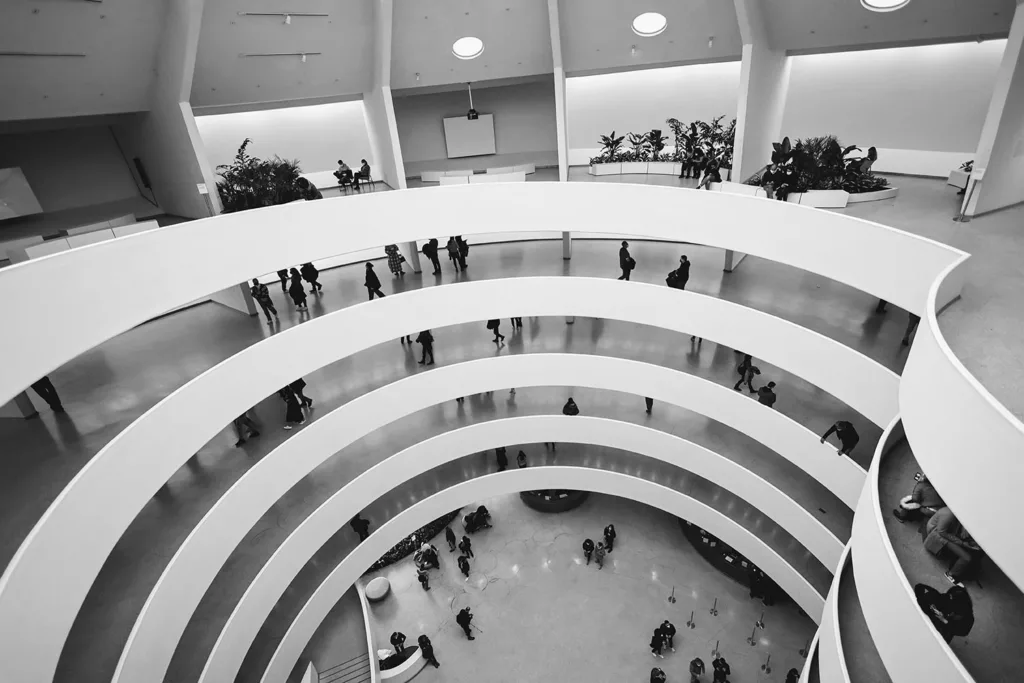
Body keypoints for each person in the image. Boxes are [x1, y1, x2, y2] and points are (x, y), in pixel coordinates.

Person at [923, 506, 979, 583]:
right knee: (967, 557)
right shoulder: (949, 514)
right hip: (936, 534)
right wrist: (962, 543)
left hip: (945, 532)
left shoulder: (956, 512)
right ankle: (950, 574)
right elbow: (942, 532)